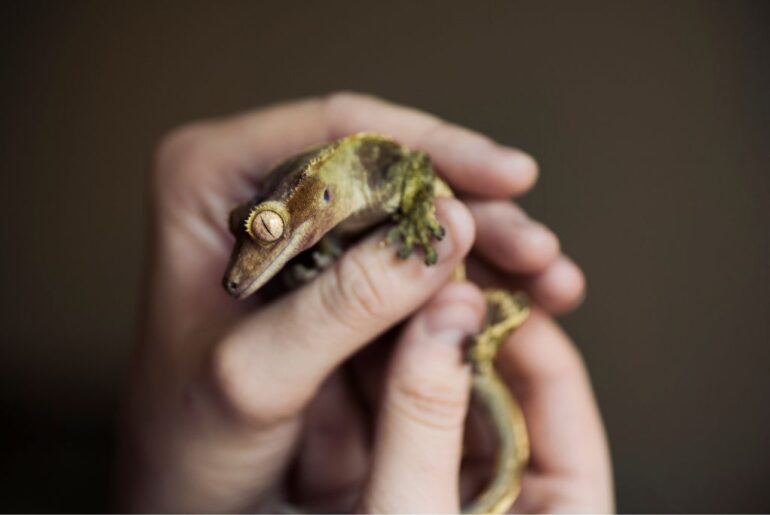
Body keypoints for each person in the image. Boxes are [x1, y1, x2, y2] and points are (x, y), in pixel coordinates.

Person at [117, 92, 614, 513]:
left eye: (268, 229)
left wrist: (419, 217)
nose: (242, 263)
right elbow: (336, 237)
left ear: (323, 195)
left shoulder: (373, 175)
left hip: (452, 322)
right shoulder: (331, 211)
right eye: (250, 229)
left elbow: (418, 166)